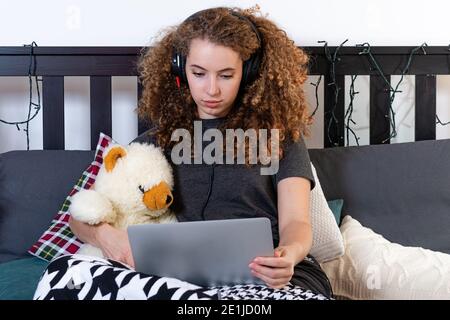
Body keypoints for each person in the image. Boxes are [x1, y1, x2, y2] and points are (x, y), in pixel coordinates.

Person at [36, 6, 332, 300]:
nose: (211, 89)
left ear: (249, 72)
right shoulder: (155, 143)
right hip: (179, 279)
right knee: (65, 274)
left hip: (269, 277)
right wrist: (107, 237)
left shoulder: (279, 138)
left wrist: (288, 255)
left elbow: (296, 222)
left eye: (226, 75)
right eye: (199, 73)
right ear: (180, 70)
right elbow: (78, 219)